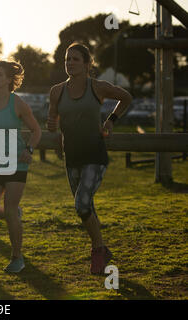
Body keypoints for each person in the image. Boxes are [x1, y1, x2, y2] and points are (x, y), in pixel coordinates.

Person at [47, 42, 132, 274]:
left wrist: (111, 120)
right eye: (67, 59)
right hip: (71, 155)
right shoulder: (57, 91)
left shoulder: (98, 87)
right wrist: (52, 128)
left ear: (87, 64)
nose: (70, 63)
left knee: (81, 203)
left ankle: (97, 251)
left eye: (75, 59)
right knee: (86, 207)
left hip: (95, 153)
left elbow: (126, 97)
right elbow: (53, 119)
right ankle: (102, 249)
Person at [0, 60, 42, 273]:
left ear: (8, 79)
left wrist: (29, 150)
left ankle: (17, 257)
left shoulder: (18, 104)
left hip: (16, 163)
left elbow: (36, 131)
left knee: (11, 208)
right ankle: (13, 214)